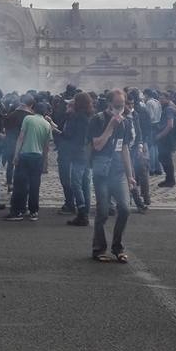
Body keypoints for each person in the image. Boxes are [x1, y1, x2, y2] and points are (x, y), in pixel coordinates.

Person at [87, 89, 137, 263]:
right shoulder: (97, 119)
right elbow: (97, 146)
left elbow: (124, 149)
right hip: (102, 171)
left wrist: (130, 175)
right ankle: (99, 248)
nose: (120, 109)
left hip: (118, 172)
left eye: (122, 105)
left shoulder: (126, 122)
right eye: (117, 105)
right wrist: (110, 127)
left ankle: (118, 247)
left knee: (124, 208)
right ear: (109, 104)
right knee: (102, 212)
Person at [5, 95, 53, 221]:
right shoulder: (47, 124)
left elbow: (21, 138)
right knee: (35, 185)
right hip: (37, 157)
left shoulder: (28, 119)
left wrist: (16, 155)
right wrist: (45, 163)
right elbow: (46, 146)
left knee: (20, 184)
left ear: (34, 109)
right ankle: (33, 211)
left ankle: (17, 211)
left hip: (25, 155)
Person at [64, 92, 94, 226]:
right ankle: (86, 211)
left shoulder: (76, 116)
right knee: (85, 183)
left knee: (76, 183)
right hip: (87, 152)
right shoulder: (90, 115)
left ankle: (82, 213)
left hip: (78, 153)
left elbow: (68, 134)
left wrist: (56, 128)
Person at [154, 91, 176, 188]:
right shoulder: (167, 108)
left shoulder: (168, 109)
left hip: (167, 138)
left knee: (166, 159)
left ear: (168, 99)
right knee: (164, 158)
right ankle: (169, 179)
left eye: (162, 98)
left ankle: (170, 180)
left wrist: (160, 135)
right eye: (160, 98)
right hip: (166, 137)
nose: (160, 100)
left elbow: (170, 125)